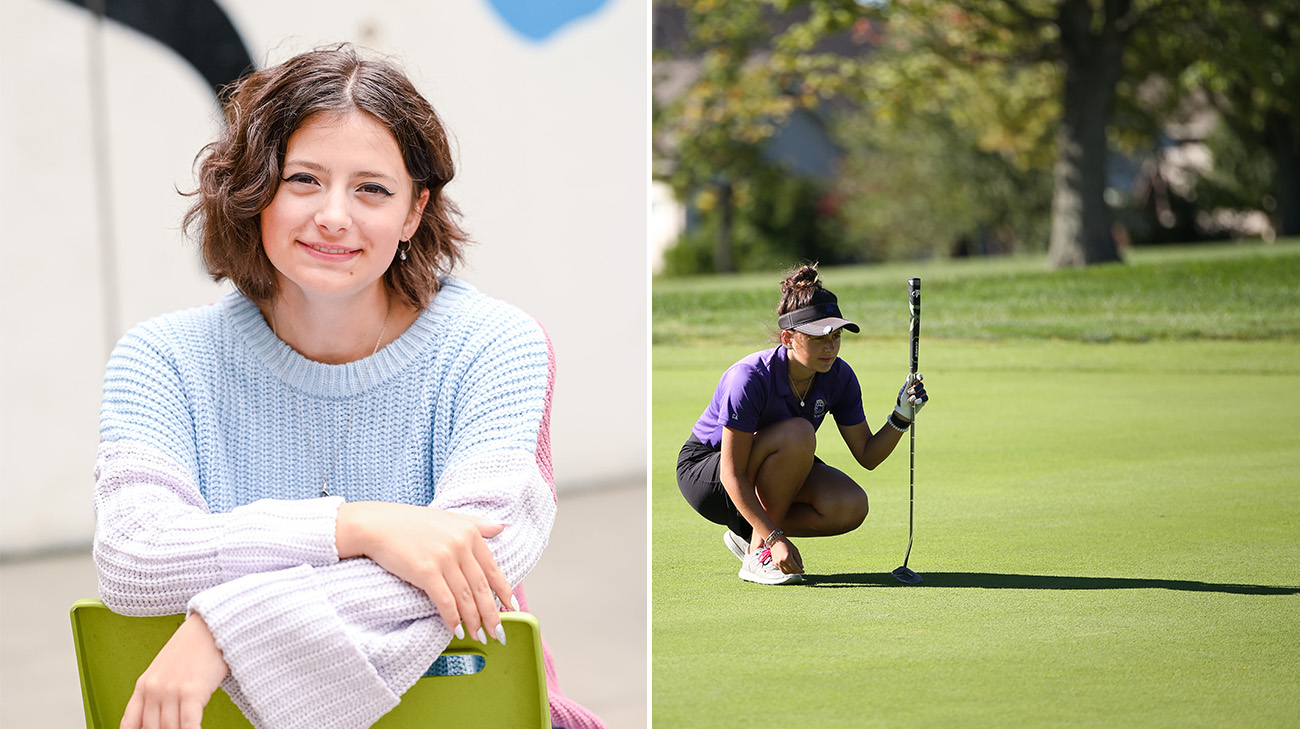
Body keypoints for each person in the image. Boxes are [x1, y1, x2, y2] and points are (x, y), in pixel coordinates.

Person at [93, 45, 604, 729]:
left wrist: (224, 628)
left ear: (415, 211)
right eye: (304, 179)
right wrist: (359, 526)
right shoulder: (161, 358)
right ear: (255, 189)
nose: (335, 215)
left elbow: (480, 559)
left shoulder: (494, 343)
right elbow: (133, 557)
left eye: (372, 189)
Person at [676, 264, 929, 585]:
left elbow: (867, 454)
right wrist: (773, 537)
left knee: (848, 505)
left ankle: (750, 535)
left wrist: (901, 417)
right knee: (799, 434)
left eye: (836, 337)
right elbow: (731, 472)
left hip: (772, 465)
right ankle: (759, 552)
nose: (831, 347)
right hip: (709, 475)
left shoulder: (839, 376)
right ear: (788, 338)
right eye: (819, 337)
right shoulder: (749, 377)